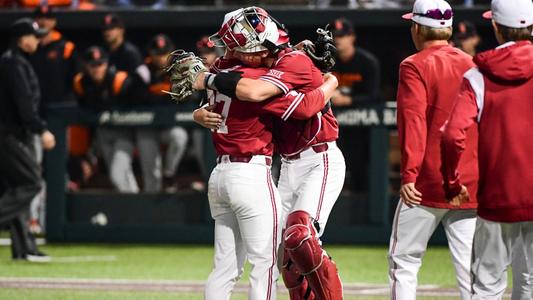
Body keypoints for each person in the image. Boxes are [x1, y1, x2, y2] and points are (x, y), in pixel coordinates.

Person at [187, 7, 345, 299]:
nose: (232, 51)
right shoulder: (250, 74)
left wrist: (204, 85)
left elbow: (297, 103)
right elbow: (266, 94)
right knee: (275, 259)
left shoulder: (248, 70)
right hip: (267, 169)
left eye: (237, 45)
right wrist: (331, 81)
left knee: (294, 241)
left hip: (313, 158)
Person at [440, 0, 533, 298]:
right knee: (529, 283)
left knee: (486, 287)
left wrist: (452, 183)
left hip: (496, 197)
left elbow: (453, 134)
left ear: (495, 26)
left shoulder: (478, 75)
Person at [388, 1, 479, 299]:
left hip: (426, 180)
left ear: (416, 28)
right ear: (449, 29)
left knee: (405, 262)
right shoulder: (473, 64)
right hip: (469, 179)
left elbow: (413, 123)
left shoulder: (413, 64)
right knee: (472, 269)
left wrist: (409, 174)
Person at [0, 18, 55, 261]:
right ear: (22, 39)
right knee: (31, 181)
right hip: (7, 133)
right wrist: (41, 129)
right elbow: (23, 103)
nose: (38, 39)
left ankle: (24, 249)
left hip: (12, 132)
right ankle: (25, 247)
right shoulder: (12, 63)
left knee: (17, 185)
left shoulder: (16, 61)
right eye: (34, 35)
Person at [29, 4, 79, 234]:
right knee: (33, 167)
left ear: (54, 21)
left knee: (59, 167)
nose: (44, 22)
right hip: (34, 115)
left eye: (47, 18)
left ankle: (60, 220)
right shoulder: (30, 47)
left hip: (59, 116)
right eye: (40, 18)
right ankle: (34, 219)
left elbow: (74, 83)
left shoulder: (66, 47)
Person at [73, 46, 139, 192]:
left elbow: (138, 107)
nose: (97, 69)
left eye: (100, 65)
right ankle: (134, 206)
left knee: (117, 175)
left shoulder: (119, 80)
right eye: (93, 66)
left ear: (107, 64)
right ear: (86, 67)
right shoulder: (82, 83)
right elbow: (82, 115)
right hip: (103, 133)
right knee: (121, 176)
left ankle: (134, 208)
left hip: (124, 133)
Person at [329, 17, 381, 193]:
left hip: (361, 125)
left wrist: (348, 100)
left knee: (360, 167)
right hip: (333, 124)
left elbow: (374, 95)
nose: (338, 40)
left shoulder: (367, 61)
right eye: (335, 36)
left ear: (352, 37)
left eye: (342, 36)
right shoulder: (326, 61)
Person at [136, 34, 189, 192]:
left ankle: (169, 174)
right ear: (150, 54)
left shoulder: (180, 68)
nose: (161, 58)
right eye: (158, 54)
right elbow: (139, 98)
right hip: (147, 126)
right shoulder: (143, 70)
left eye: (165, 53)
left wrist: (158, 93)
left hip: (169, 124)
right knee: (151, 177)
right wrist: (167, 93)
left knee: (180, 137)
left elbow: (186, 97)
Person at [102, 13, 150, 88]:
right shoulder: (104, 52)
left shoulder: (130, 52)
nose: (107, 32)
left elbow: (145, 77)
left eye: (112, 28)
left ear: (121, 30)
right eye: (105, 29)